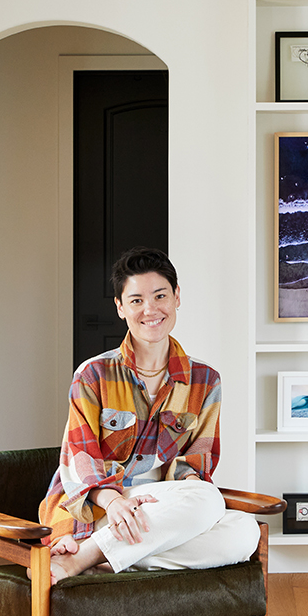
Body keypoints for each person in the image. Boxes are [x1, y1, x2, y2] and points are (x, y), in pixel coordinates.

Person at [40, 247, 258, 582]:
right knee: (207, 501)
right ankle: (101, 550)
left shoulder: (205, 380)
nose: (150, 309)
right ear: (120, 307)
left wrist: (188, 497)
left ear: (177, 298)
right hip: (101, 504)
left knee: (244, 531)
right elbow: (80, 458)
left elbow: (195, 465)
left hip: (164, 505)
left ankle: (94, 557)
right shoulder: (93, 374)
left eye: (160, 296)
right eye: (137, 300)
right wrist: (114, 503)